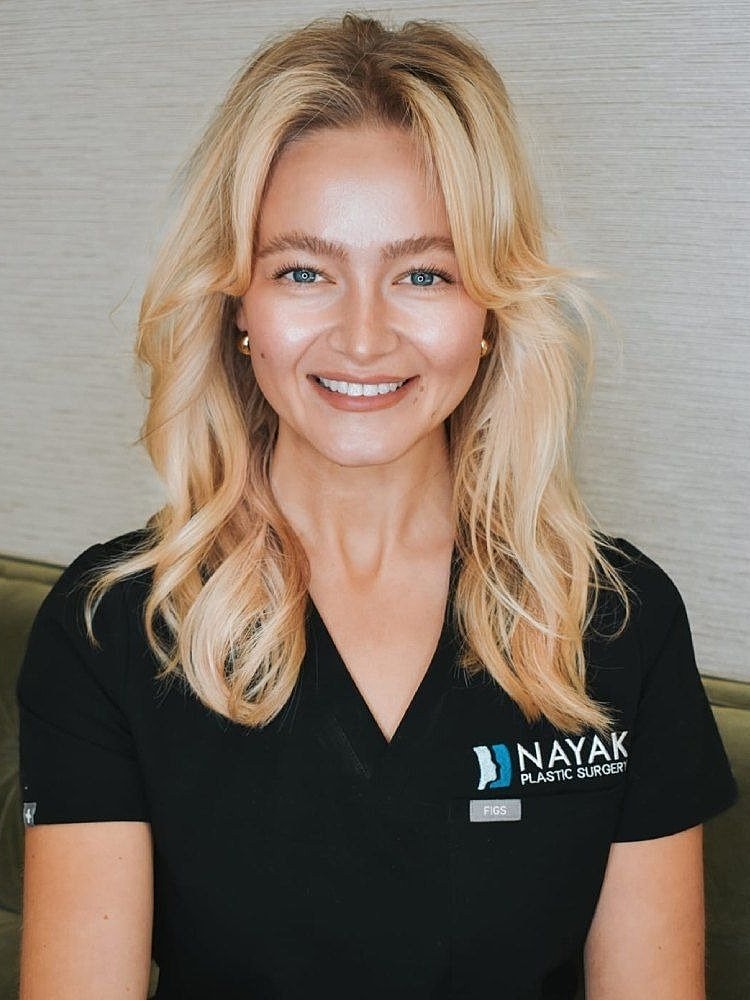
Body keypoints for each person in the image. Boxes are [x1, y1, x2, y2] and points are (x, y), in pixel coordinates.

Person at [16, 12, 736, 1000]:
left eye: (423, 273)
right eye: (304, 270)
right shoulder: (111, 628)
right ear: (238, 305)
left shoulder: (617, 619)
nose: (362, 337)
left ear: (489, 311)